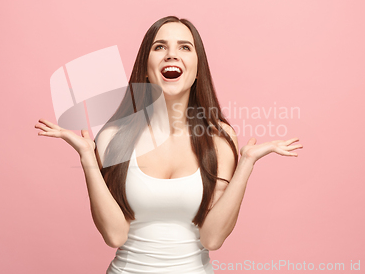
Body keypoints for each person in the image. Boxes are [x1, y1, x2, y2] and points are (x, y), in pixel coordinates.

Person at [34, 15, 303, 273]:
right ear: (146, 68)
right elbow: (115, 235)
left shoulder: (219, 138)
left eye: (185, 47)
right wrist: (87, 158)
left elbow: (213, 239)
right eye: (159, 46)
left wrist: (245, 164)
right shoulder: (113, 136)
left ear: (198, 70)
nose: (171, 54)